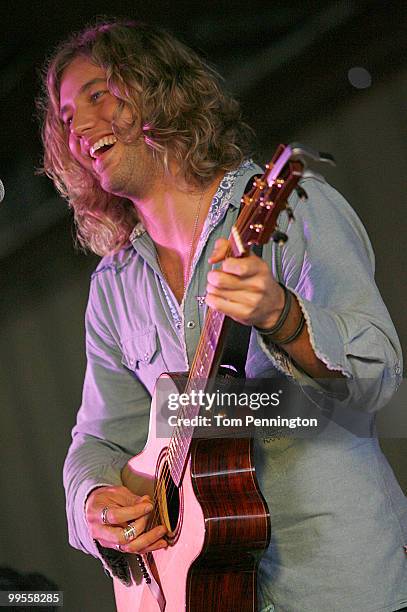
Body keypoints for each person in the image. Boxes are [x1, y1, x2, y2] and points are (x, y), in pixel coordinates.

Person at [39, 19, 407, 612]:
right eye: (64, 116)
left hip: (338, 581)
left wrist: (282, 317)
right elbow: (100, 438)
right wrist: (94, 504)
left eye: (98, 95)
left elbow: (380, 378)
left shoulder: (291, 207)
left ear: (158, 90)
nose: (78, 126)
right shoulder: (112, 286)